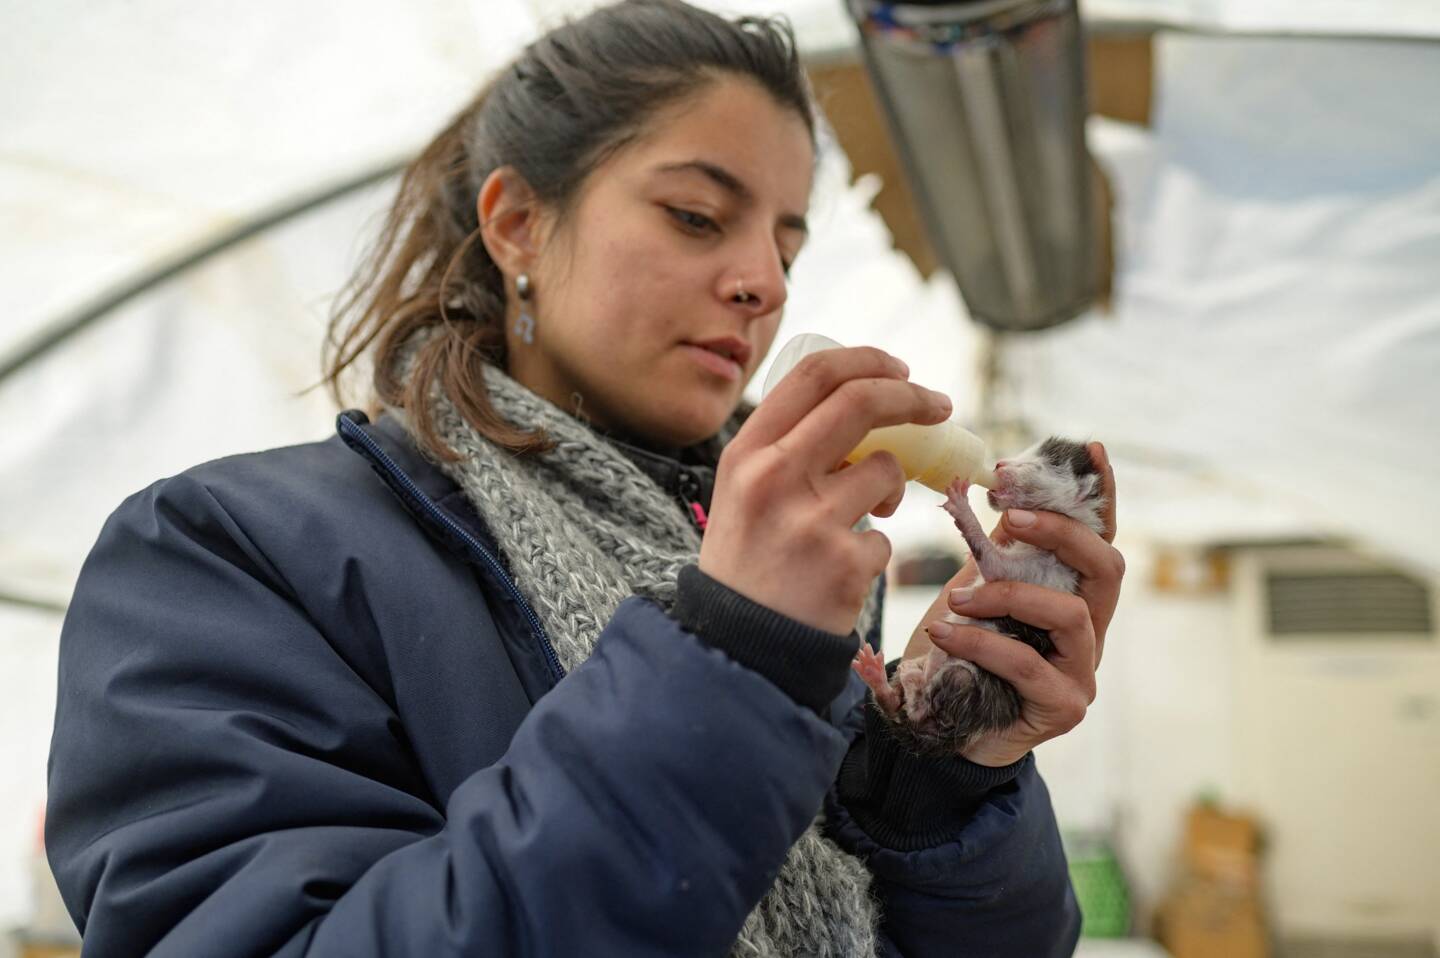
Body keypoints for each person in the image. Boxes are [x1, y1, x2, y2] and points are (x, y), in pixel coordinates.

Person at [45, 1, 1125, 954]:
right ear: (518, 222)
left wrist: (942, 772)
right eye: (697, 216)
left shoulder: (795, 574)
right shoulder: (226, 551)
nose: (760, 283)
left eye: (787, 249)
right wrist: (729, 657)